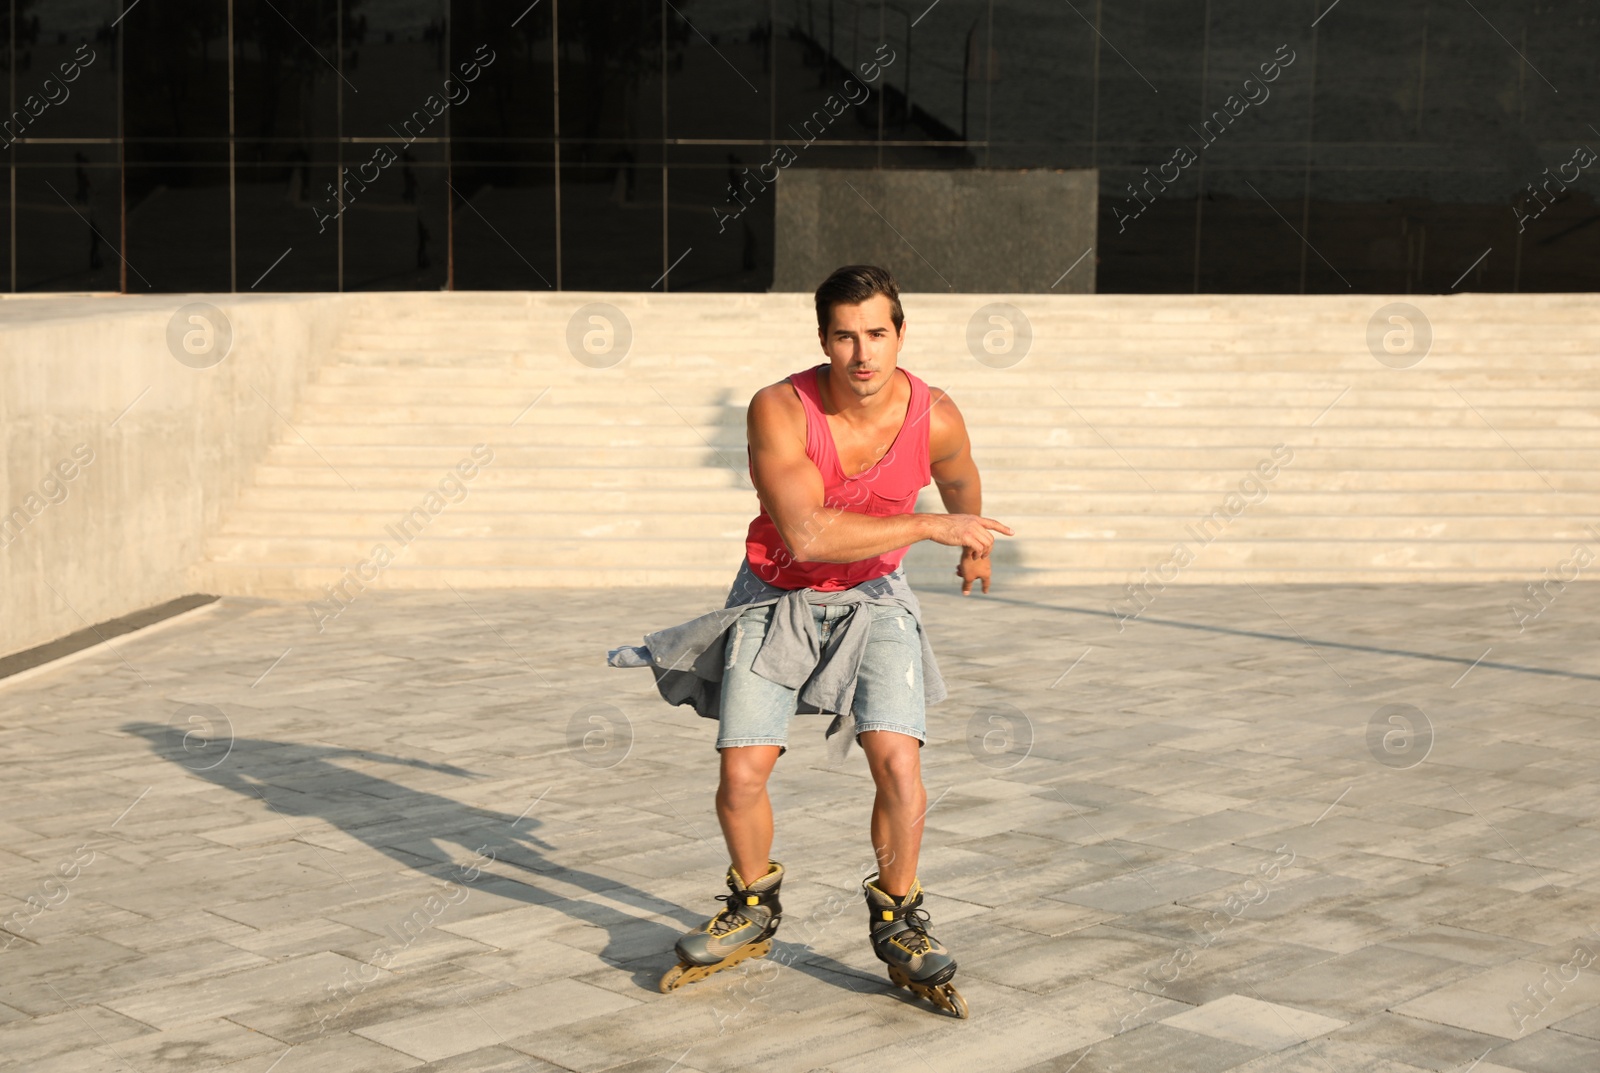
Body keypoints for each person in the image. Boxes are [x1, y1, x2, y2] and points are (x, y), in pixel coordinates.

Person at [607, 264, 1012, 1017]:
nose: (863, 354)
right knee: (741, 773)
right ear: (823, 338)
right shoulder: (780, 409)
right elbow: (807, 531)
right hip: (778, 589)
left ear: (900, 333)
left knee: (898, 762)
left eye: (878, 334)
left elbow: (958, 474)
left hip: (876, 597)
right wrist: (929, 526)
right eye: (845, 336)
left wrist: (974, 543)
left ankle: (899, 916)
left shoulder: (937, 414)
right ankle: (754, 904)